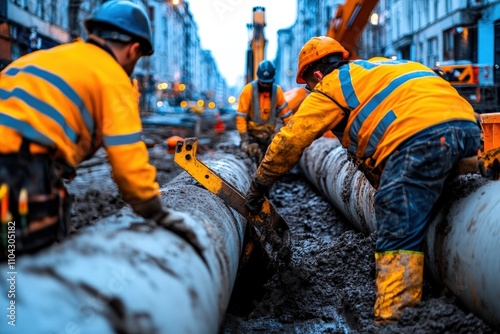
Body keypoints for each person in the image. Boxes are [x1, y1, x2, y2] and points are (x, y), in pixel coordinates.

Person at [244, 36, 481, 324]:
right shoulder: (376, 69)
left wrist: (259, 186)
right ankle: (480, 166)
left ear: (316, 74)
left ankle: (396, 317)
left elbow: (289, 141)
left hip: (420, 138)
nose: (310, 90)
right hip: (467, 126)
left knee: (396, 217)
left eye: (308, 84)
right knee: (433, 171)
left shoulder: (330, 87)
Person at [0, 0, 190, 258]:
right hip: (17, 176)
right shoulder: (113, 77)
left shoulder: (39, 59)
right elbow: (130, 172)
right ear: (134, 50)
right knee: (22, 277)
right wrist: (159, 213)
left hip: (16, 162)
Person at [236, 60, 293, 164]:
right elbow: (241, 117)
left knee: (278, 156)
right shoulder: (248, 90)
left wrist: (291, 136)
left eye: (268, 83)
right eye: (263, 83)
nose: (265, 86)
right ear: (258, 78)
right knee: (253, 153)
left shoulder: (278, 91)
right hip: (251, 135)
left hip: (269, 135)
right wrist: (245, 139)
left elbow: (287, 116)